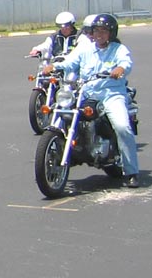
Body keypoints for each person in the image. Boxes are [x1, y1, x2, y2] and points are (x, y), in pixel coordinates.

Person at [44, 13, 140, 188]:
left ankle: (131, 171)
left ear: (111, 33)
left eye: (103, 31)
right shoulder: (85, 49)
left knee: (122, 127)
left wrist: (120, 68)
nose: (99, 34)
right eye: (96, 31)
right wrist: (54, 66)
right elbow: (69, 62)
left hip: (111, 94)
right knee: (63, 109)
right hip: (86, 93)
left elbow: (126, 62)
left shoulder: (118, 49)